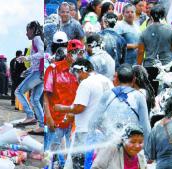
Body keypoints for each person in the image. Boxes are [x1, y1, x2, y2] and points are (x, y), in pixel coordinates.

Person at [54, 58, 114, 169]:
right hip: (103, 131)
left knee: (79, 164)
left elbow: (79, 108)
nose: (76, 77)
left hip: (85, 132)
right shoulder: (107, 81)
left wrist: (60, 108)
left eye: (75, 73)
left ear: (82, 70)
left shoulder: (86, 83)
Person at [88, 64, 151, 146]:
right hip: (130, 145)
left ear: (116, 78)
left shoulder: (107, 95)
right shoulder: (138, 96)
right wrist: (147, 149)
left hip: (110, 143)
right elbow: (145, 125)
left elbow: (93, 122)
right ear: (134, 80)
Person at [44, 39, 83, 168]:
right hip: (55, 121)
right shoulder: (53, 68)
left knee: (68, 160)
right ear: (69, 52)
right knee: (48, 156)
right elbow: (46, 95)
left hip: (72, 122)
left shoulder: (80, 73)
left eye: (81, 53)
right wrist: (48, 117)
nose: (79, 56)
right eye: (77, 53)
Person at [137, 5, 172, 95]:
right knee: (165, 93)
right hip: (166, 66)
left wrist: (139, 68)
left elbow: (140, 52)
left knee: (152, 93)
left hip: (149, 67)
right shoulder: (170, 30)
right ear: (163, 16)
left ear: (151, 16)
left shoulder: (144, 32)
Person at [14, 21, 44, 135]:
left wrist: (26, 58)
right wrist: (28, 70)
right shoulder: (38, 38)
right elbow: (38, 60)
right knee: (35, 99)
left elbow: (41, 53)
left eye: (27, 31)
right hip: (40, 73)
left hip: (39, 73)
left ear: (32, 29)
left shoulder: (36, 39)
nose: (26, 33)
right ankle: (41, 125)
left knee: (18, 91)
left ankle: (30, 116)